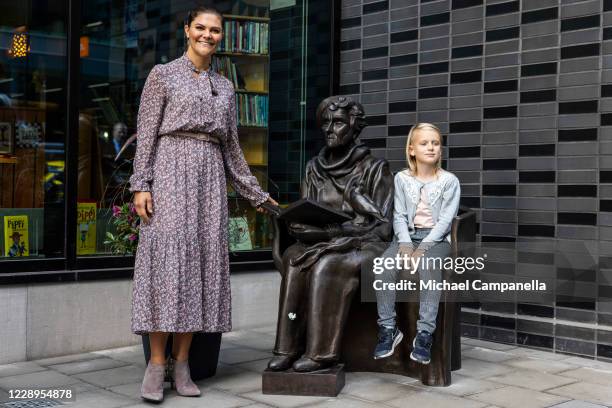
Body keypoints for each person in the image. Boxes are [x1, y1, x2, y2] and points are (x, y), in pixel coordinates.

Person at [129, 6, 278, 403]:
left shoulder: (226, 87)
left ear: (220, 37)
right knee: (166, 263)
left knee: (199, 265)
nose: (208, 35)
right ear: (186, 30)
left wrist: (256, 194)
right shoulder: (162, 75)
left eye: (215, 30)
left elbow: (232, 148)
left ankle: (183, 363)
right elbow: (145, 134)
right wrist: (141, 184)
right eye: (201, 28)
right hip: (169, 172)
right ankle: (156, 363)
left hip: (209, 179)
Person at [373, 123, 460, 365]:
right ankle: (388, 329)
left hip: (436, 240)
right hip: (405, 238)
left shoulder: (449, 181)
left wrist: (423, 248)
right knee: (383, 266)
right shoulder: (401, 179)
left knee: (429, 267)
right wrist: (405, 244)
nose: (431, 147)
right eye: (424, 143)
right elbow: (399, 215)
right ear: (412, 149)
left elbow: (445, 222)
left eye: (435, 143)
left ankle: (424, 334)